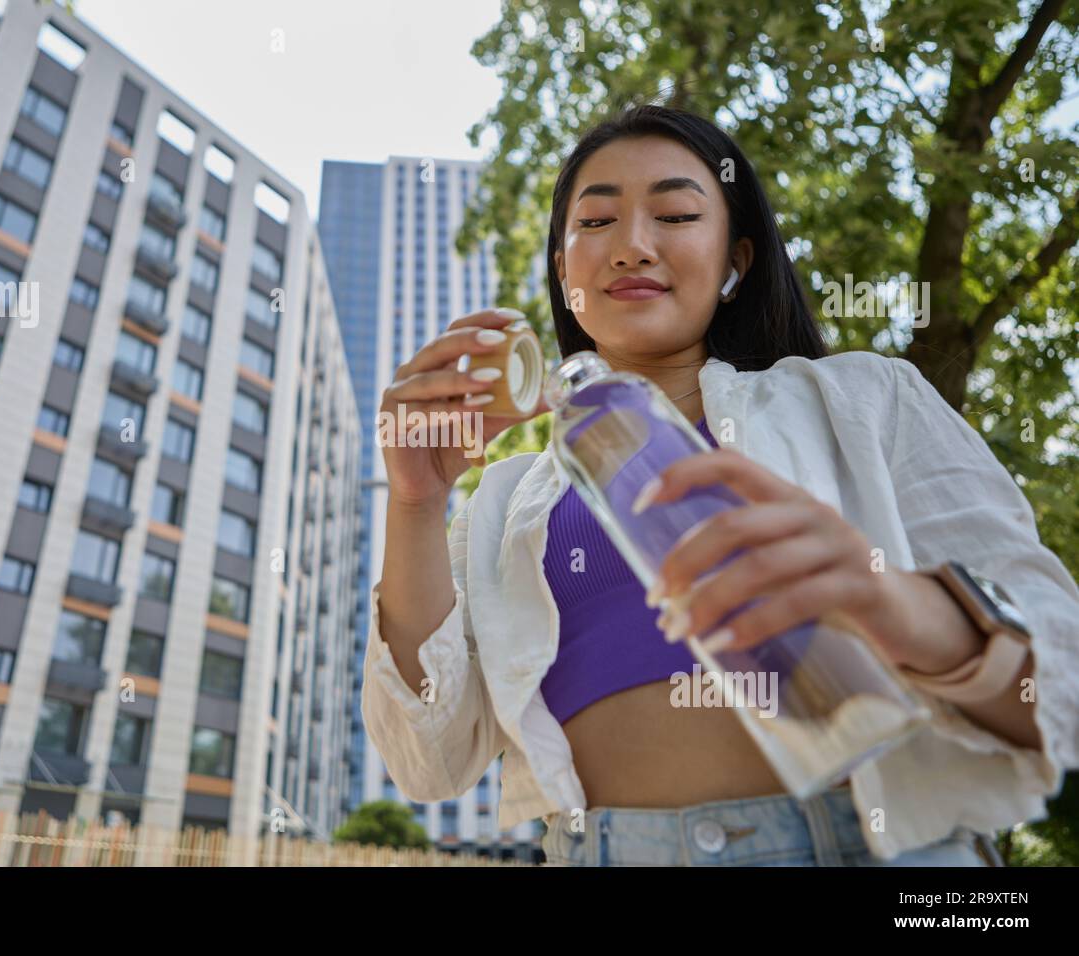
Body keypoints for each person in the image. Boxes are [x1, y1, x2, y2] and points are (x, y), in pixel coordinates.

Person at [362, 104, 1079, 866]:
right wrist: (415, 504)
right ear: (563, 271)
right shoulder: (502, 503)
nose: (632, 246)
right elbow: (426, 763)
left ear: (737, 260)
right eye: (596, 223)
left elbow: (1058, 686)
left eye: (673, 213)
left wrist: (898, 608)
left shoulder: (862, 400)